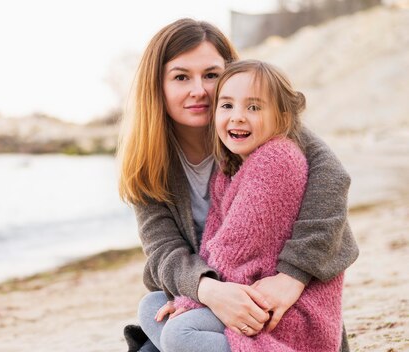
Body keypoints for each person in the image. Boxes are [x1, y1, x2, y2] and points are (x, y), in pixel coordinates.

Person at [117, 19, 358, 352]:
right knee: (152, 308)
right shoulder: (151, 163)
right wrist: (209, 292)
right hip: (218, 294)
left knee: (175, 337)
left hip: (274, 302)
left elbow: (332, 181)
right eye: (181, 77)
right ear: (157, 86)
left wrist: (293, 275)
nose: (198, 90)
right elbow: (164, 253)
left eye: (211, 75)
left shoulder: (260, 134)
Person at [155, 59, 344, 351]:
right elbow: (210, 245)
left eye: (253, 108)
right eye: (227, 106)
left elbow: (235, 252)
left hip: (279, 308)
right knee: (152, 306)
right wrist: (197, 295)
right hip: (244, 294)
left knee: (179, 332)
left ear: (281, 118)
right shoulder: (228, 169)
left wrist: (191, 301)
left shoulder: (275, 159)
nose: (238, 117)